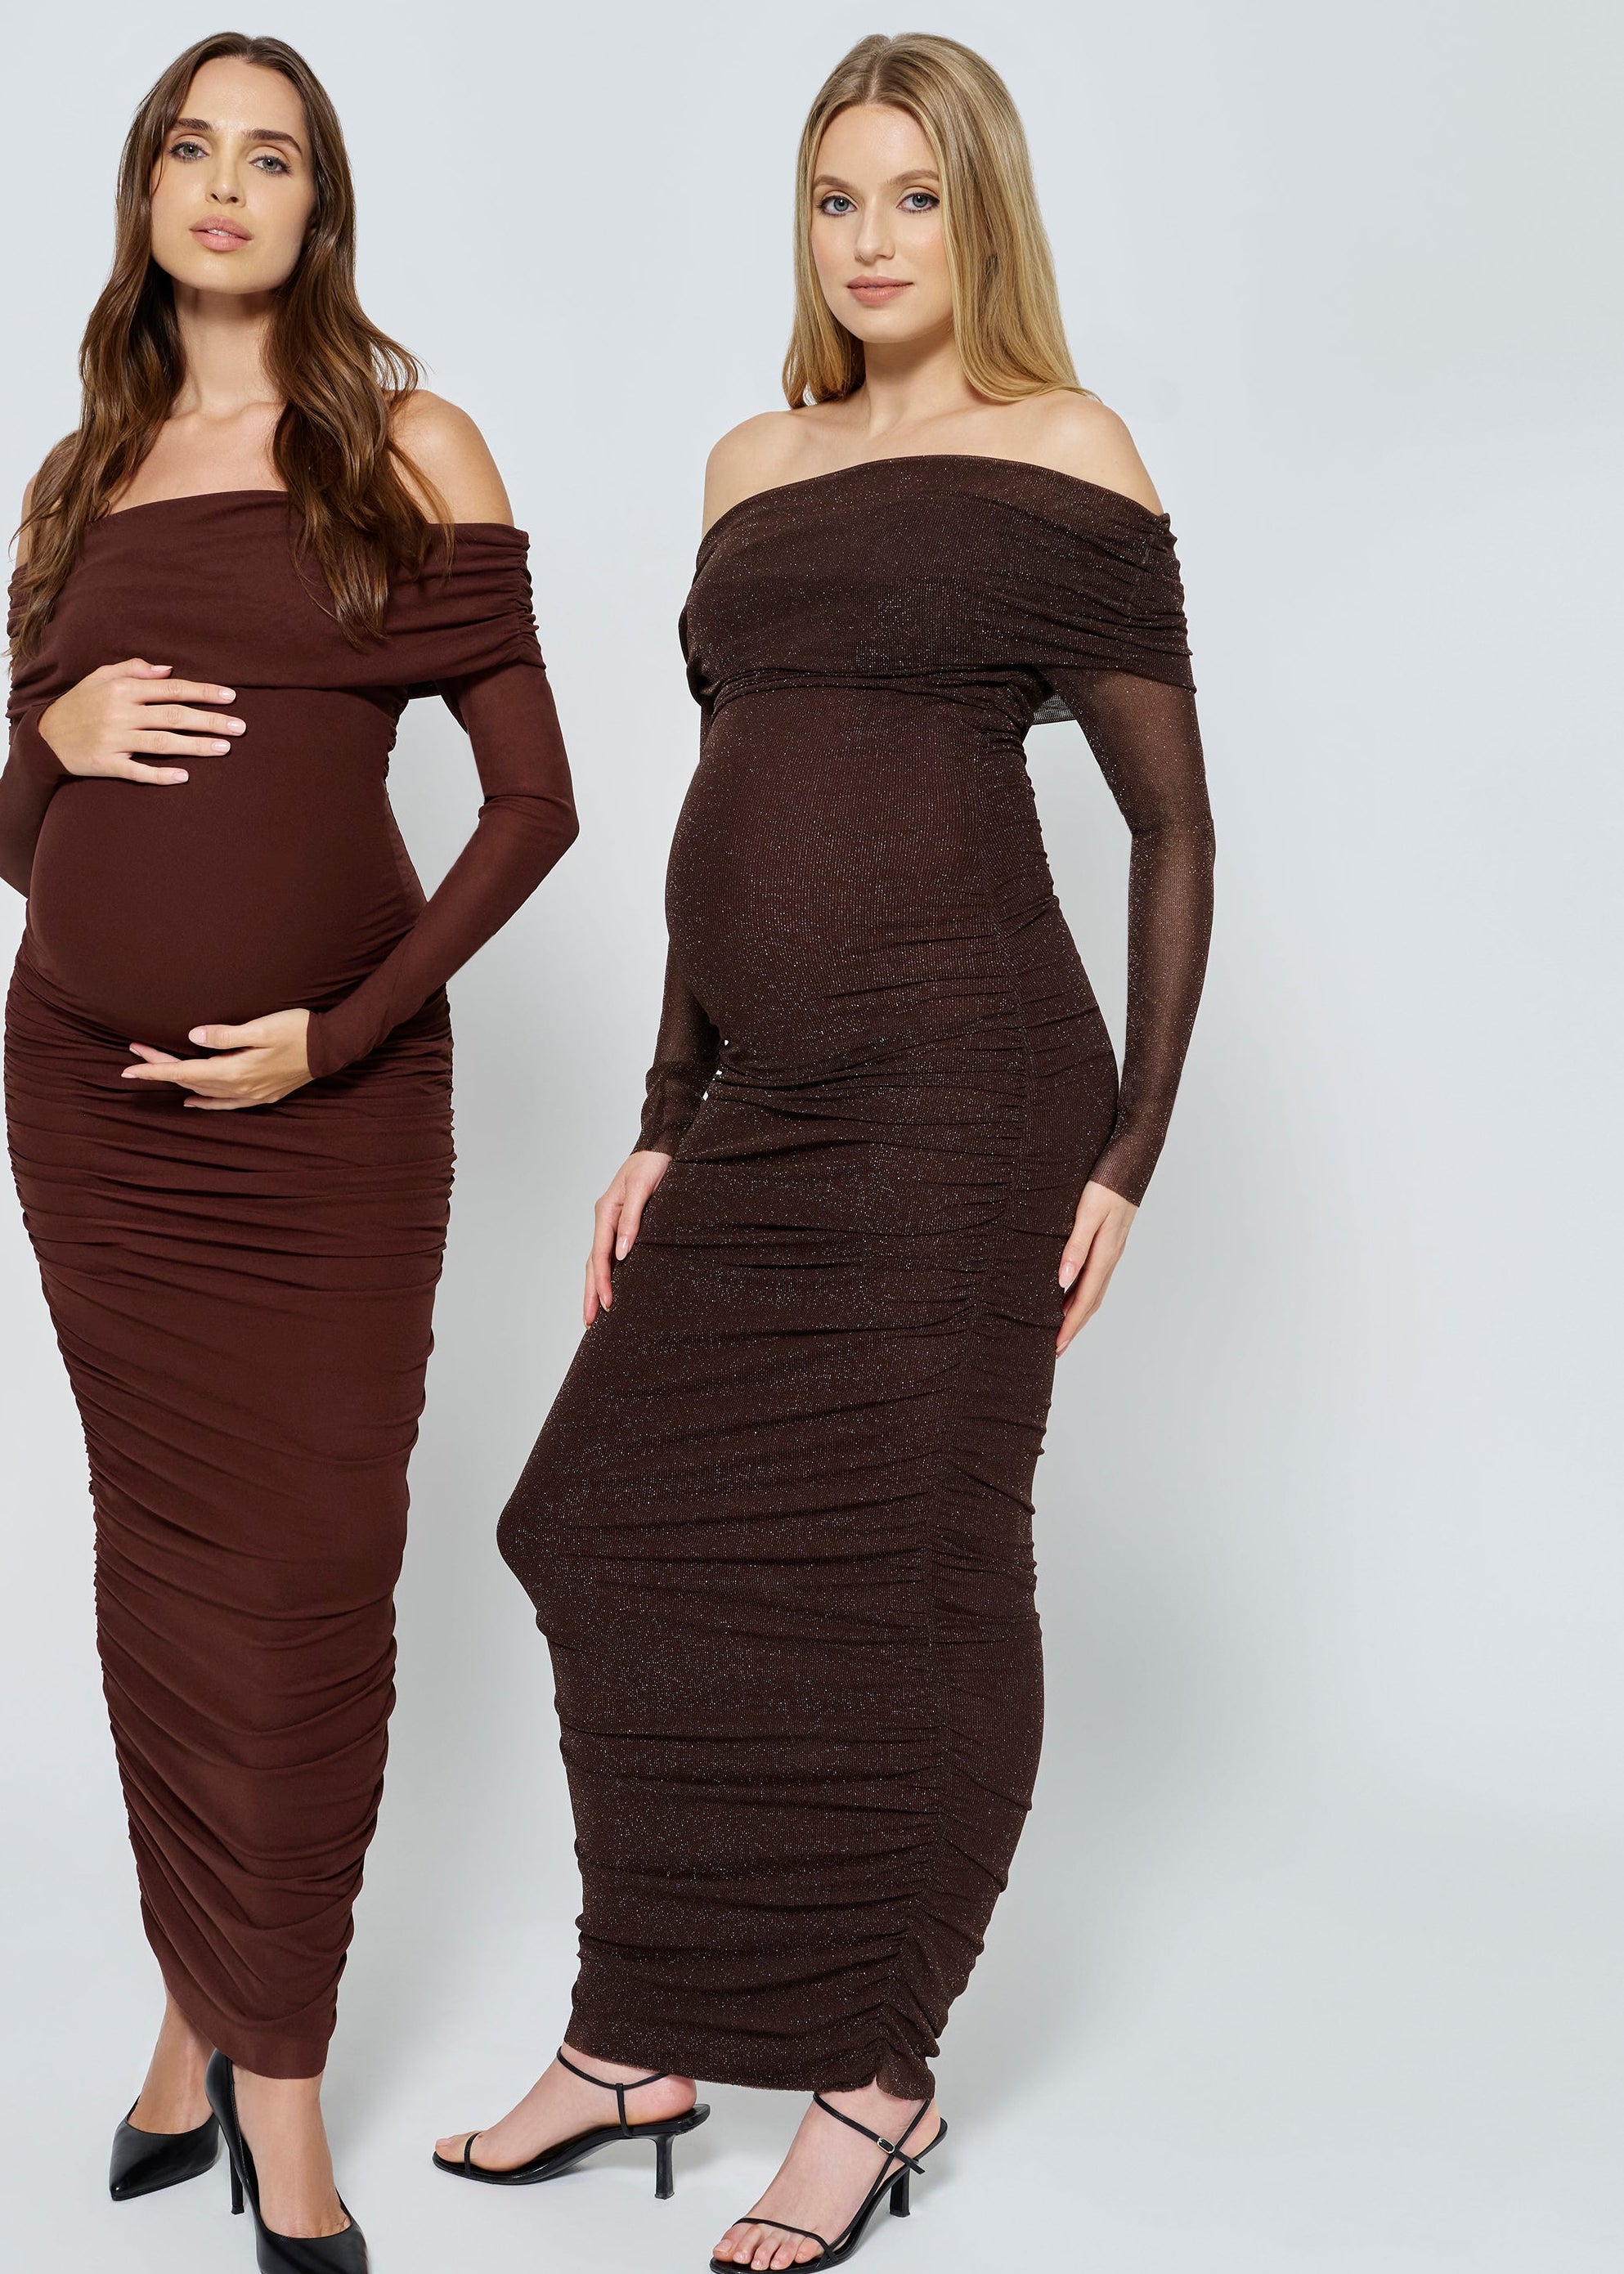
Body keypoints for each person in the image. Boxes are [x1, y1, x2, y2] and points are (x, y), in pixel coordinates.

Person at [440, 32, 1214, 2273]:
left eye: (915, 198)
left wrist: (1131, 1148)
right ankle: (640, 2037)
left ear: (984, 216)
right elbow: (737, 800)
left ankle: (878, 2073)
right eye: (836, 198)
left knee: (923, 1565)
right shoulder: (747, 465)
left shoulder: (1065, 449)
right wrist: (663, 1120)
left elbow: (1170, 826)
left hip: (976, 1095)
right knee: (597, 1525)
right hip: (766, 1107)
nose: (872, 240)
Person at [2, 32, 576, 2271]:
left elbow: (531, 803)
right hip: (89, 1114)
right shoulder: (80, 476)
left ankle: (281, 2090)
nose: (226, 185)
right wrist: (43, 733)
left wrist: (329, 1037)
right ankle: (197, 2027)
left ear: (320, 209)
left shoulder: (400, 445)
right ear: (145, 191)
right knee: (162, 1575)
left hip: (327, 1127)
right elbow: (27, 846)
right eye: (189, 147)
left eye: (272, 157)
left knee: (306, 1594)